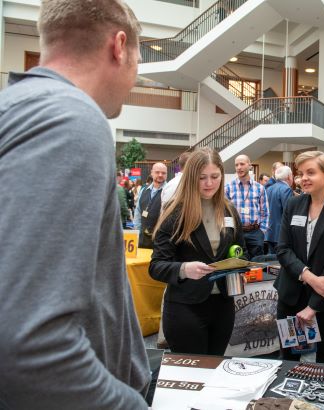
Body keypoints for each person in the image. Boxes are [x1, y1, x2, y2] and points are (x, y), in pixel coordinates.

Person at [0, 0, 150, 408]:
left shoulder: (21, 110)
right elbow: (28, 343)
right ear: (119, 46)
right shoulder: (69, 119)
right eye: (138, 60)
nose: (135, 78)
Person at [149, 148, 245, 355]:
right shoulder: (176, 214)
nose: (209, 183)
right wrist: (184, 269)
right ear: (191, 177)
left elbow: (240, 250)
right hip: (186, 308)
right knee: (192, 376)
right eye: (202, 178)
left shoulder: (229, 211)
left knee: (215, 369)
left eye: (214, 177)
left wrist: (239, 265)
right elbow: (156, 266)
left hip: (223, 306)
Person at [275, 151, 324, 364]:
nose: (303, 179)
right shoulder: (293, 205)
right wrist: (309, 277)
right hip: (291, 294)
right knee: (290, 358)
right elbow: (283, 249)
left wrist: (314, 307)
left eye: (311, 172)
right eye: (300, 174)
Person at [225, 154, 269, 258]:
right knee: (238, 264)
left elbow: (265, 212)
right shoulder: (228, 188)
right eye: (236, 165)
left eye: (242, 164)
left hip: (255, 233)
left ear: (250, 166)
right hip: (235, 233)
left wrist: (262, 231)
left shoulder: (260, 188)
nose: (239, 167)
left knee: (256, 265)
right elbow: (224, 213)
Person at [134, 162, 167, 248]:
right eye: (157, 172)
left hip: (161, 241)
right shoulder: (144, 190)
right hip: (142, 240)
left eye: (163, 173)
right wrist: (137, 231)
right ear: (152, 173)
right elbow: (138, 211)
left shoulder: (169, 191)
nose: (160, 175)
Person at [265, 165, 294, 254]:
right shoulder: (286, 189)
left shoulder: (269, 188)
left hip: (269, 232)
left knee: (271, 262)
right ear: (289, 176)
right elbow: (288, 212)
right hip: (281, 234)